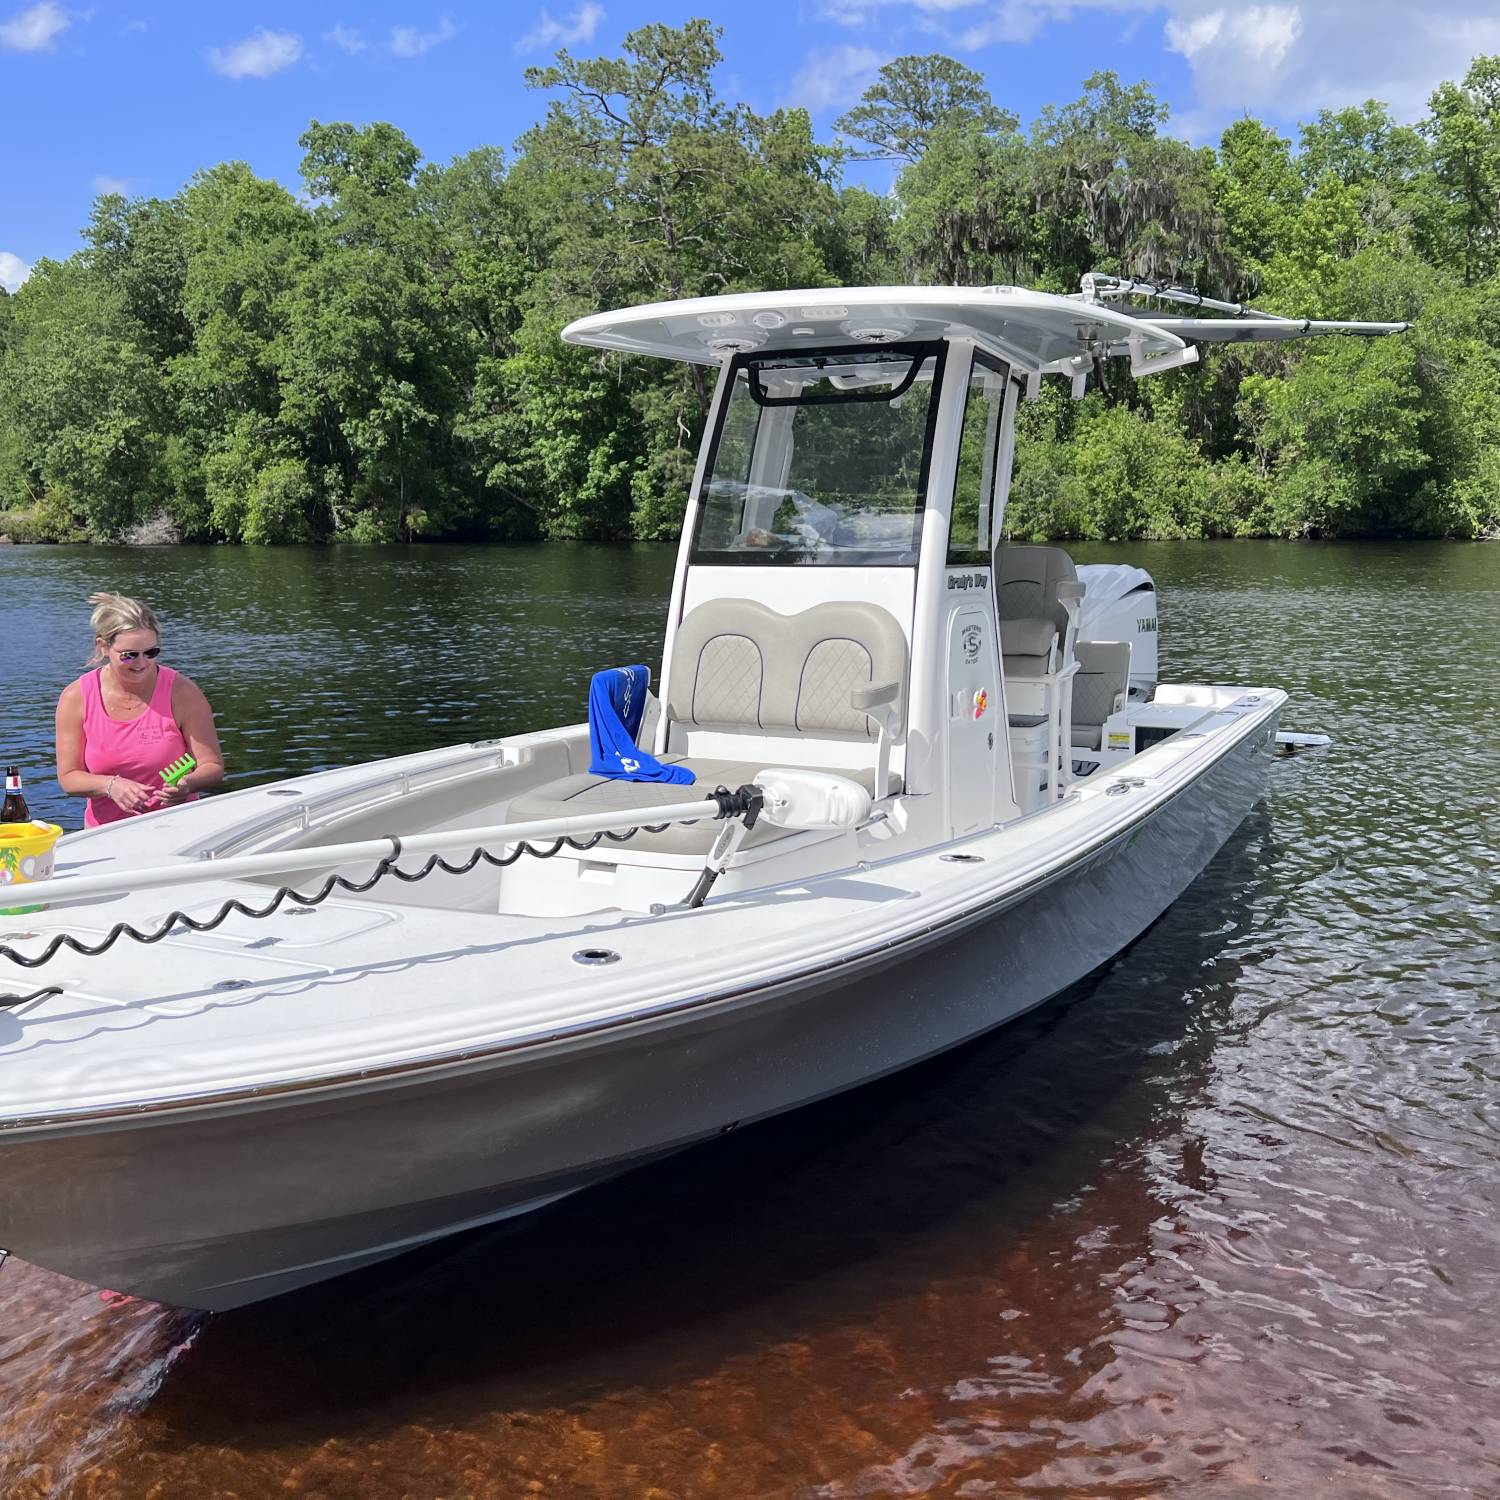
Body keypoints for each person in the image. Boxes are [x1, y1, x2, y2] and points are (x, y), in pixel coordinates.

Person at [55, 592, 225, 827]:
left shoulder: (183, 692)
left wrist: (187, 784)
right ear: (103, 647)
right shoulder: (76, 697)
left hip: (179, 825)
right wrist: (110, 785)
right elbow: (69, 777)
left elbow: (212, 766)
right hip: (106, 833)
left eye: (151, 653)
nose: (141, 663)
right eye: (129, 655)